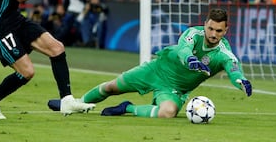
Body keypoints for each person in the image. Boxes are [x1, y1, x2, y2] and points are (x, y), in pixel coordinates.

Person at [49, 8, 252, 118]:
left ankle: (127, 108)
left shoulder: (223, 52)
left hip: (176, 89)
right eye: (211, 28)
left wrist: (240, 80)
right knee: (112, 86)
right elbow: (183, 49)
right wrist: (190, 59)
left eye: (219, 31)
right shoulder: (193, 33)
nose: (213, 34)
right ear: (205, 24)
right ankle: (74, 104)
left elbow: (234, 67)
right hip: (156, 70)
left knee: (167, 113)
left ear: (225, 31)